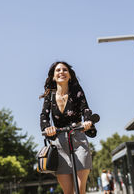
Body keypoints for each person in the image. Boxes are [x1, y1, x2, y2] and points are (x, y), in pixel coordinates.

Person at [40, 61, 97, 194]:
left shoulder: (76, 91)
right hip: (59, 142)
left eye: (65, 70)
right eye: (58, 70)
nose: (61, 72)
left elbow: (85, 108)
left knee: (80, 190)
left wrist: (87, 121)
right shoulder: (50, 95)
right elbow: (44, 115)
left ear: (70, 75)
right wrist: (47, 128)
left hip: (78, 139)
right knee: (68, 192)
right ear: (54, 76)